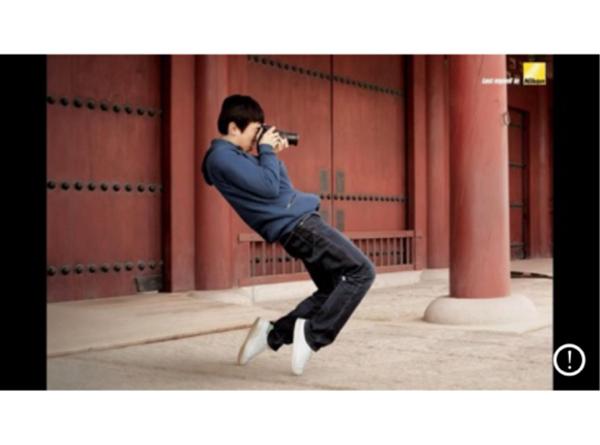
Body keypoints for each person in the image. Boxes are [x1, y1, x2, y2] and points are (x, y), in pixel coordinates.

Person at [201, 94, 376, 375]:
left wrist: (270, 154)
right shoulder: (221, 157)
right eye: (254, 130)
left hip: (298, 224)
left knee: (332, 289)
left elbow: (279, 189)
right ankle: (313, 335)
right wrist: (267, 151)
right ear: (233, 127)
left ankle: (273, 334)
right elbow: (270, 188)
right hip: (300, 225)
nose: (257, 138)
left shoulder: (237, 159)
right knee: (361, 271)